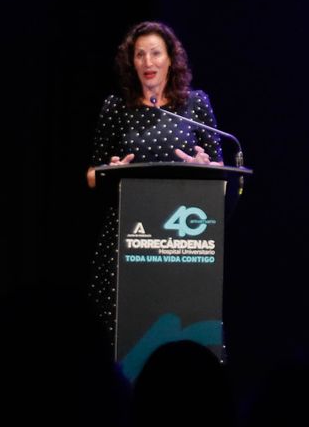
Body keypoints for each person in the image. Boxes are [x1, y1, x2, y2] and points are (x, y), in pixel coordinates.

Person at [86, 21, 223, 341]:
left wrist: (204, 166)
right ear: (131, 62)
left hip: (181, 239)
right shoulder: (116, 107)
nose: (148, 62)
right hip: (129, 236)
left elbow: (219, 167)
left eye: (156, 54)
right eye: (140, 55)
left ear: (171, 60)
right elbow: (92, 175)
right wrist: (111, 170)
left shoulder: (195, 104)